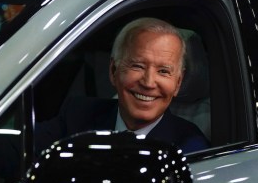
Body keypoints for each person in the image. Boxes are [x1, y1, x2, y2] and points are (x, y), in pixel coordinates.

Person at [38, 17, 209, 154]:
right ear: (113, 71)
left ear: (178, 83)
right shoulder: (78, 115)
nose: (149, 83)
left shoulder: (191, 148)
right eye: (137, 66)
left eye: (163, 71)